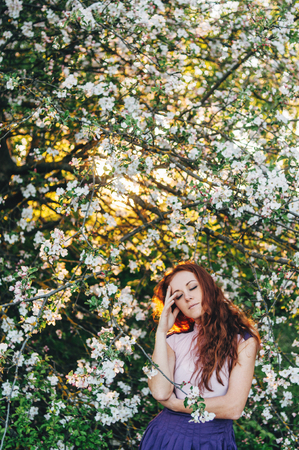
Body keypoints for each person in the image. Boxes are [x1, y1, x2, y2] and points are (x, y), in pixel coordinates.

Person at [139, 261, 260, 450]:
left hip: (213, 441)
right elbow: (160, 392)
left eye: (193, 287)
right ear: (174, 305)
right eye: (178, 296)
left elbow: (233, 408)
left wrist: (177, 405)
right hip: (167, 438)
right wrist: (161, 333)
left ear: (207, 286)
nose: (187, 297)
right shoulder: (173, 341)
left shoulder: (243, 341)